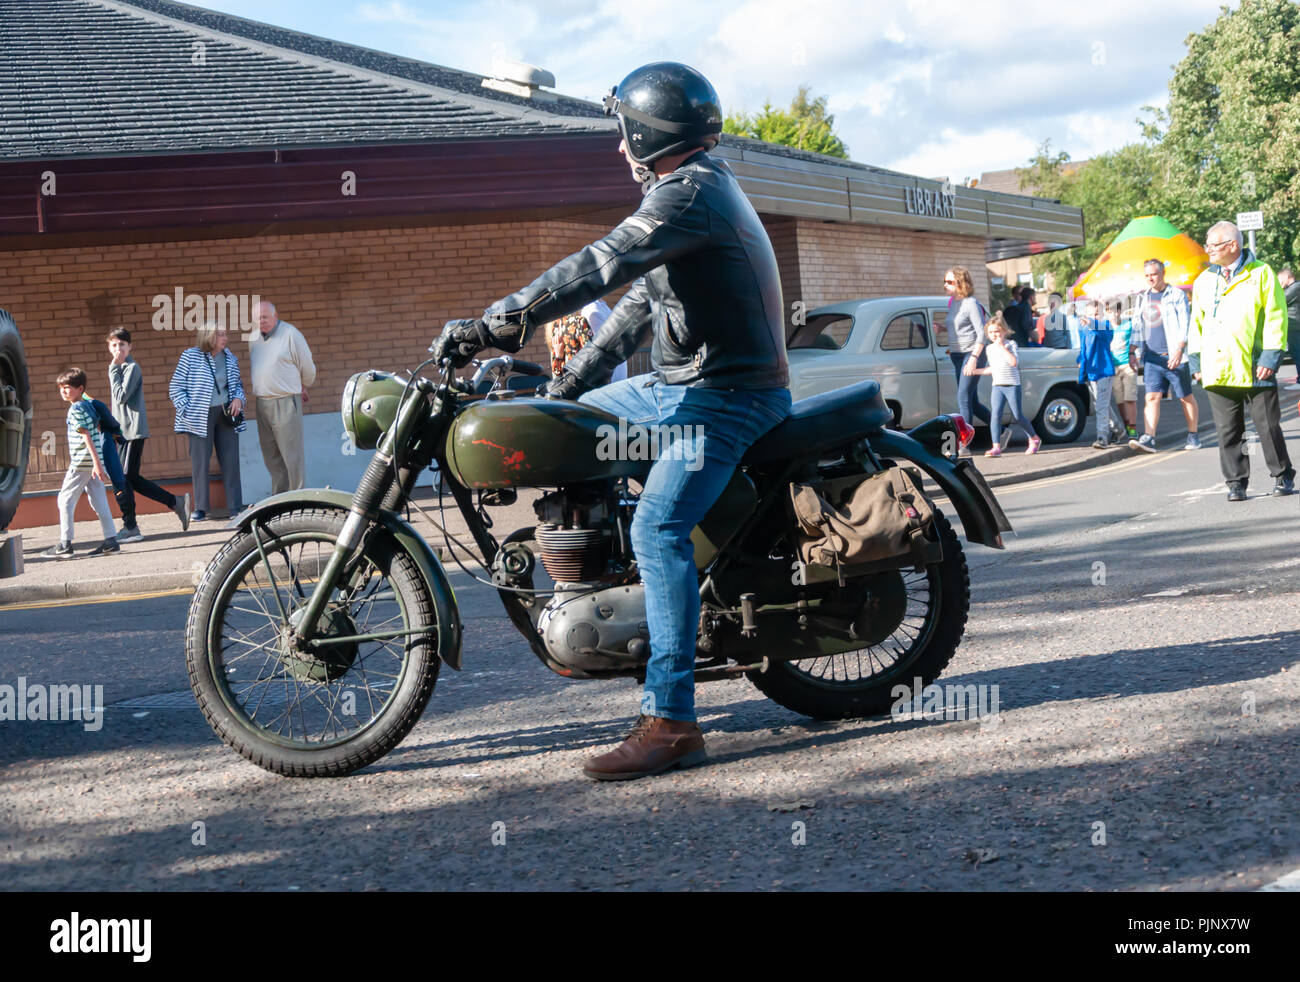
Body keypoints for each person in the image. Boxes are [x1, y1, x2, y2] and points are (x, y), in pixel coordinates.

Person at [431, 62, 791, 781]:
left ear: (644, 131)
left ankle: (672, 720)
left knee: (659, 524)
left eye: (621, 131)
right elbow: (638, 304)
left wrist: (494, 325)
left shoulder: (688, 195)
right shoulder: (692, 191)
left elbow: (602, 264)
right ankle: (618, 579)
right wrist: (568, 383)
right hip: (684, 385)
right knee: (575, 425)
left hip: (729, 396)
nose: (616, 146)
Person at [1189, 220, 1295, 500]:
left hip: (1255, 362)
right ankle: (1236, 482)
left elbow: (1276, 316)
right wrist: (1197, 361)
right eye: (1207, 245)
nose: (1208, 250)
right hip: (1218, 366)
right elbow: (1196, 323)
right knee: (1228, 430)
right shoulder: (1203, 281)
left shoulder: (1261, 273)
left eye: (1213, 245)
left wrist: (1271, 356)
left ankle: (1282, 474)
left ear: (1232, 245)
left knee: (1267, 426)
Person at [107, 328, 190, 539]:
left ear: (130, 347)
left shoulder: (131, 368)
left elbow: (121, 396)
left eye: (122, 345)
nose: (118, 349)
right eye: (114, 345)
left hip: (133, 431)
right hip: (122, 432)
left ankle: (131, 526)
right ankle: (175, 502)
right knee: (130, 478)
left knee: (124, 478)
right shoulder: (121, 369)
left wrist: (112, 369)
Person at [170, 322, 246, 521]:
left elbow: (238, 385)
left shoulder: (230, 357)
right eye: (220, 334)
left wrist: (239, 399)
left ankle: (235, 508)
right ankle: (201, 508)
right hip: (199, 416)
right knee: (200, 463)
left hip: (226, 414)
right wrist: (186, 408)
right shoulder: (190, 356)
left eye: (225, 334)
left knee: (231, 461)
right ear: (209, 336)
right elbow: (176, 387)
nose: (225, 338)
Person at [41, 368, 119, 559]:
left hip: (82, 461)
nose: (63, 392)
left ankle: (65, 544)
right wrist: (98, 463)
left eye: (67, 388)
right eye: (61, 388)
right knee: (99, 501)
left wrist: (96, 464)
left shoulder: (76, 409)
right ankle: (111, 541)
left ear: (80, 388)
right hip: (93, 462)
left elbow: (86, 437)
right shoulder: (88, 405)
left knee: (65, 499)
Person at [1128, 258, 1200, 453]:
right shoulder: (1142, 297)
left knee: (1185, 397)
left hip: (1173, 355)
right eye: (1147, 275)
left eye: (1154, 274)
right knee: (1151, 397)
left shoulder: (1176, 294)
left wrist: (1179, 349)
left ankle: (1193, 435)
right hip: (1152, 357)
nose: (1150, 278)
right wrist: (1132, 350)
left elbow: (1185, 322)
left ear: (1162, 274)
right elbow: (1137, 325)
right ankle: (1149, 437)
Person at [248, 300, 316, 494]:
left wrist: (303, 385)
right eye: (257, 318)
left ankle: (298, 497)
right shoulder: (253, 338)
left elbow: (308, 367)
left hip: (286, 401)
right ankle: (280, 499)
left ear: (275, 316)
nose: (261, 321)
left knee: (292, 457)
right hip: (262, 403)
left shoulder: (291, 335)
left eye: (265, 317)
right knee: (271, 456)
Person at [968, 313, 1041, 457]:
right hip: (998, 386)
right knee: (995, 416)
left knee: (1017, 415)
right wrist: (975, 371)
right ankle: (996, 447)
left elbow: (1013, 362)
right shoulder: (989, 349)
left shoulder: (1010, 345)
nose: (994, 335)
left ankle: (1034, 438)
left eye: (997, 331)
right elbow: (992, 369)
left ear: (1004, 332)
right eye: (991, 332)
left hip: (1012, 385)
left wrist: (1002, 347)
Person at [944, 266, 991, 436]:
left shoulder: (971, 303)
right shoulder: (952, 303)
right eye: (944, 281)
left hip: (972, 354)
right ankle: (1001, 431)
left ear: (960, 282)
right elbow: (959, 327)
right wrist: (941, 328)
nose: (945, 285)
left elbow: (982, 332)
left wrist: (973, 358)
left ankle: (965, 442)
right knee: (972, 401)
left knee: (963, 396)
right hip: (956, 356)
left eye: (949, 282)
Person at [1077, 299, 1117, 449]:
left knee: (1101, 405)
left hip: (1104, 370)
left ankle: (1102, 437)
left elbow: (1105, 335)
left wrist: (1091, 322)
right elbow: (1083, 348)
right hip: (1091, 372)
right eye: (1091, 314)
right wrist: (1080, 359)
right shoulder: (1084, 329)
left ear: (1102, 315)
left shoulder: (1105, 327)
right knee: (1101, 404)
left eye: (1097, 314)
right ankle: (1118, 428)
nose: (1094, 317)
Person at [1108, 300, 1139, 439]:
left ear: (1120, 312)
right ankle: (1126, 424)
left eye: (1116, 311)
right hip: (1112, 367)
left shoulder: (1128, 325)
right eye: (1110, 311)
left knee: (1130, 398)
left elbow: (1136, 341)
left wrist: (1136, 356)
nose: (1113, 314)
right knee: (1119, 400)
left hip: (1128, 365)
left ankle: (1133, 428)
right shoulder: (1105, 327)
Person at [1278, 267, 1300, 388]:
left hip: (1295, 325)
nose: (1279, 282)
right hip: (1294, 325)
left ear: (1286, 277)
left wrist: (1279, 289)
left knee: (1297, 353)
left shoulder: (1295, 287)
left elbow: (1281, 300)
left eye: (1280, 279)